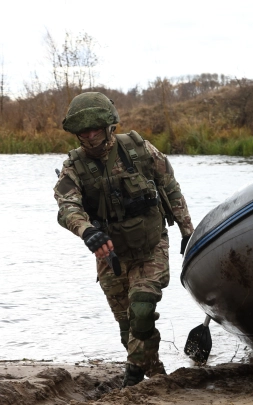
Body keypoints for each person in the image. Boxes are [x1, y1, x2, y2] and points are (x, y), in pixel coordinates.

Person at [53, 92, 195, 387]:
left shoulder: (139, 150)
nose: (90, 136)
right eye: (84, 131)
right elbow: (67, 207)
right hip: (110, 254)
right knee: (127, 327)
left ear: (108, 127)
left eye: (95, 129)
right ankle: (156, 375)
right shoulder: (73, 167)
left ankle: (133, 374)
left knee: (142, 307)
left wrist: (187, 231)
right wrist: (87, 232)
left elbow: (170, 187)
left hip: (150, 245)